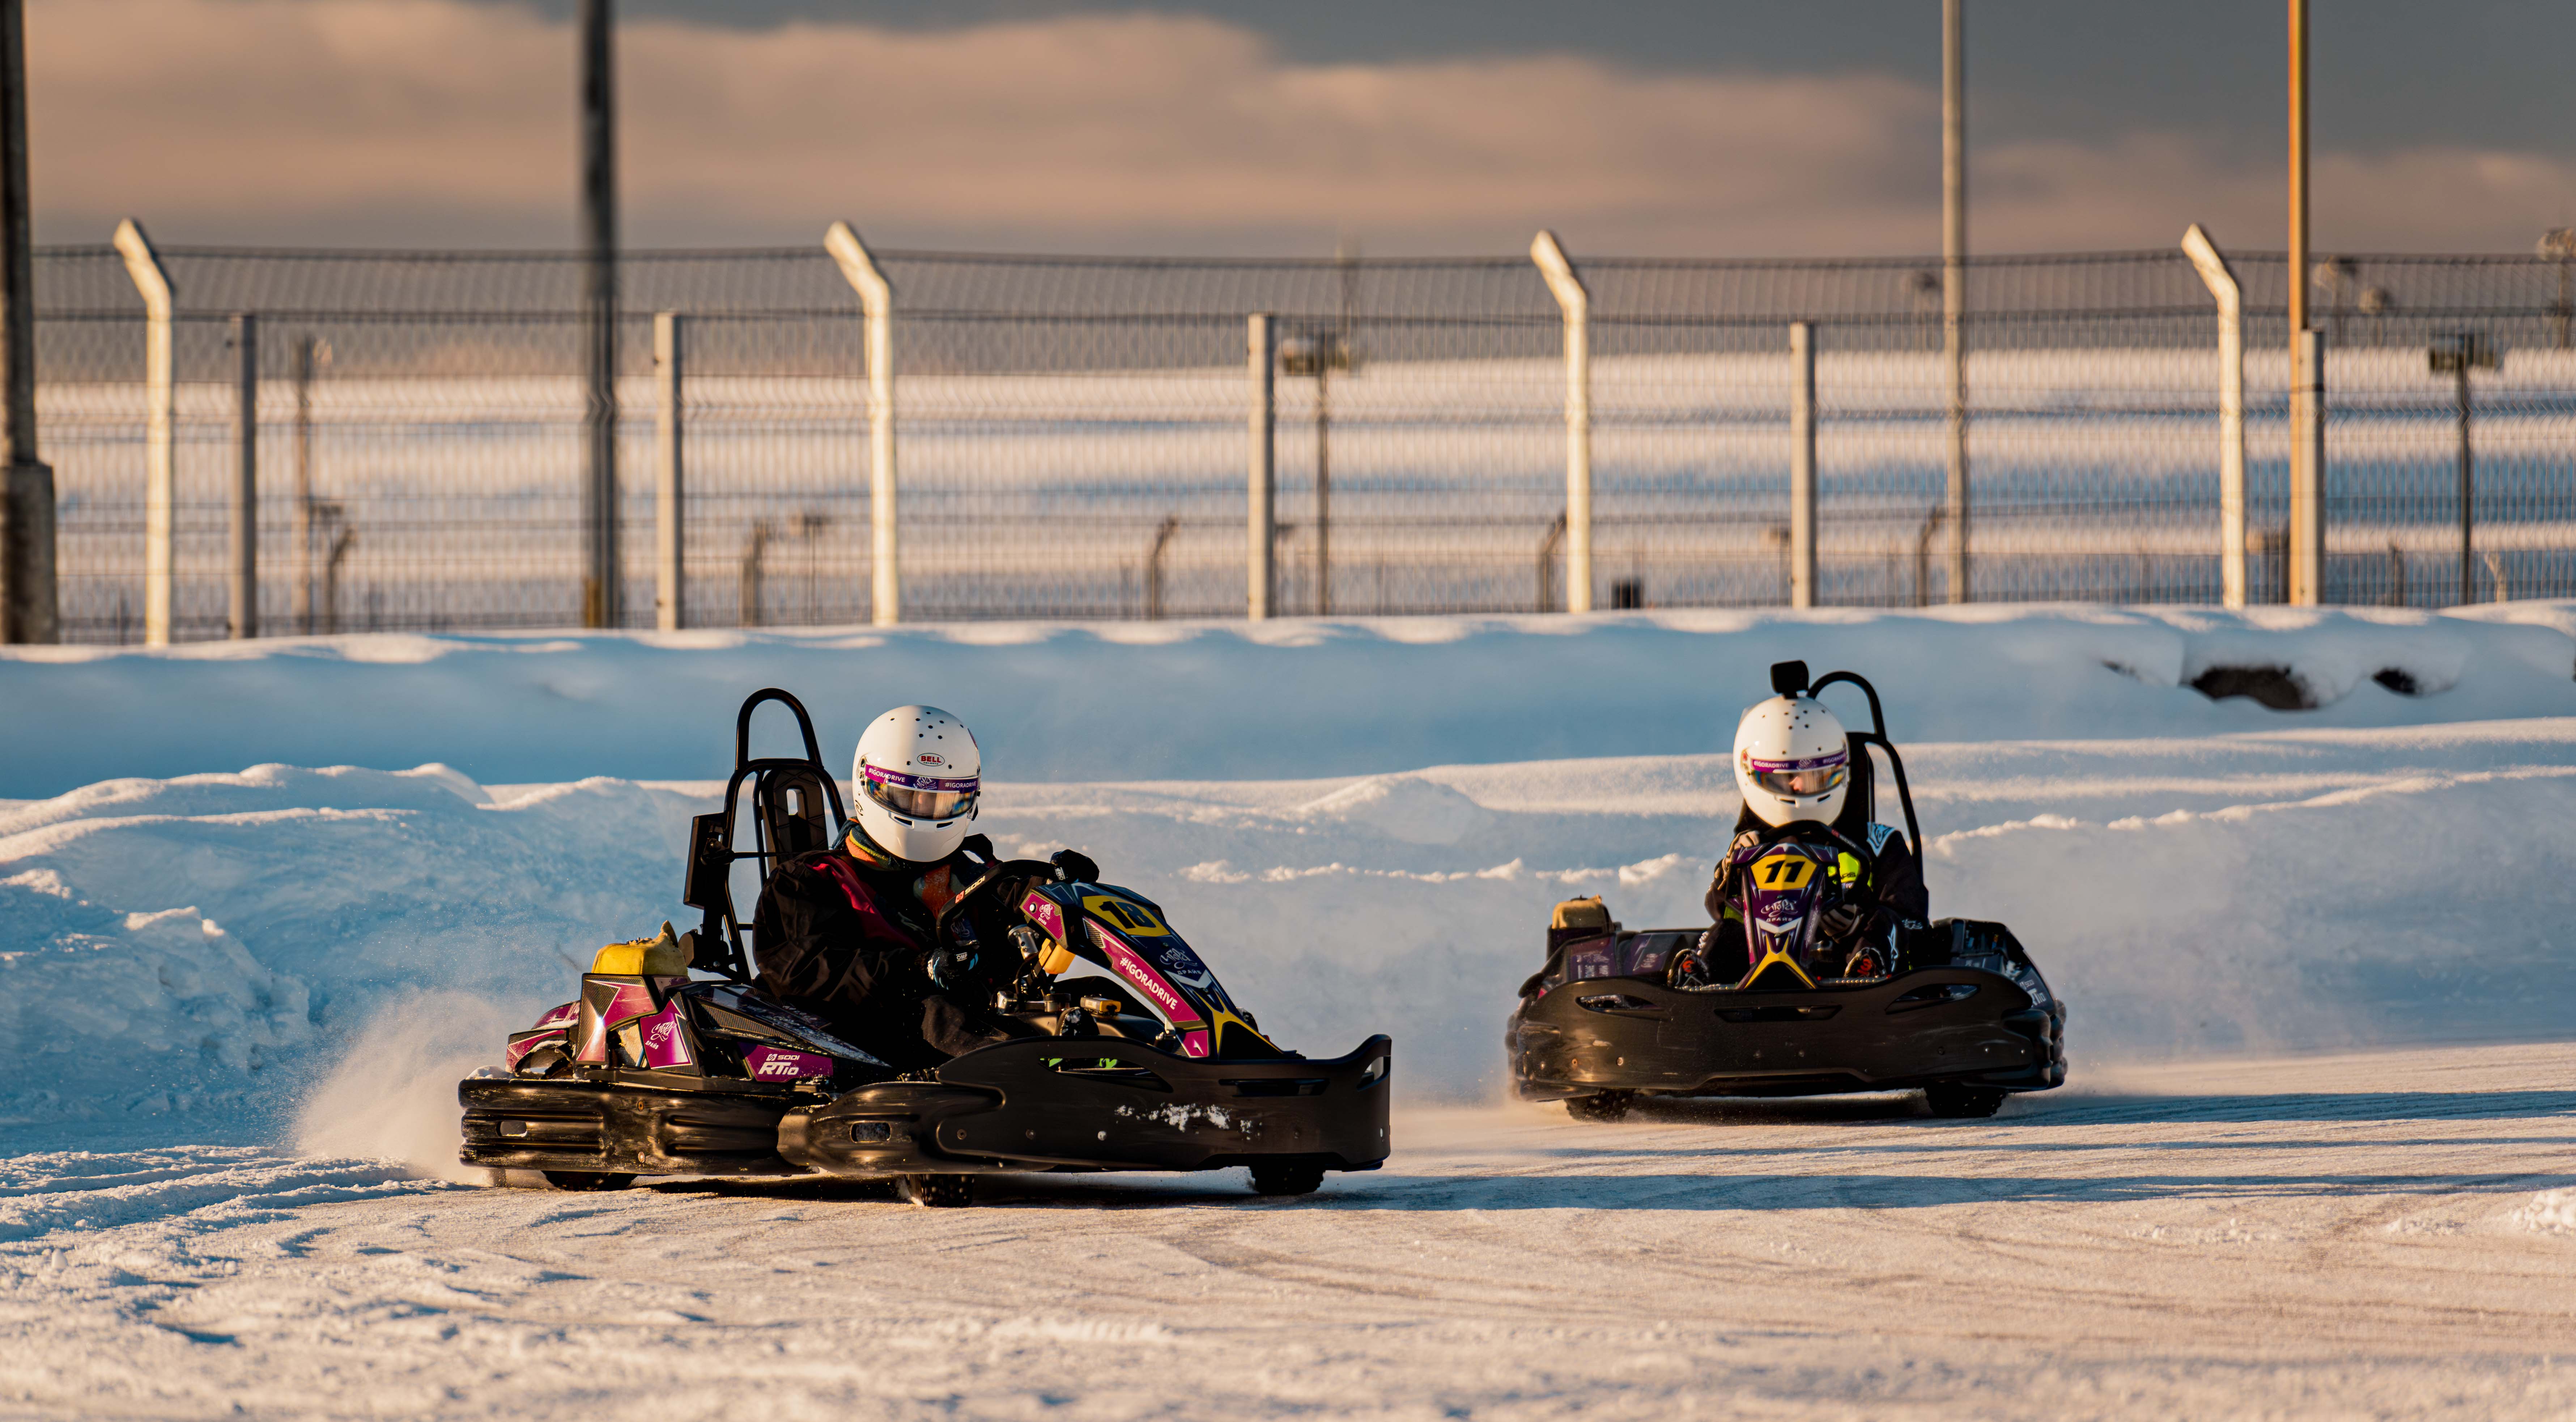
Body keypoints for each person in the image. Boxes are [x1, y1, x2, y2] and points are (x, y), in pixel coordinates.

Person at [752, 704, 1094, 1069]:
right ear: (870, 786)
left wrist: (1063, 888)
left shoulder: (967, 874)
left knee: (1093, 997)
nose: (925, 811)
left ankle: (1148, 1078)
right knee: (939, 1013)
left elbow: (1018, 896)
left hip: (976, 1020)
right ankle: (1045, 1089)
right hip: (870, 1032)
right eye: (909, 797)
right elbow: (805, 968)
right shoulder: (809, 881)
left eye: (943, 801)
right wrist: (917, 969)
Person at [1669, 686, 1929, 987]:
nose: (1800, 787)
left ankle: (1867, 970)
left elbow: (1914, 925)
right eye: (1787, 779)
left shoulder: (1878, 843)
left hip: (1845, 970)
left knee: (1884, 924)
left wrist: (1857, 925)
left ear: (1841, 771)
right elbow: (1718, 908)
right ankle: (1698, 983)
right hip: (1761, 972)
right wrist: (1730, 870)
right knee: (1730, 928)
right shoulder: (1753, 844)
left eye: (1815, 777)